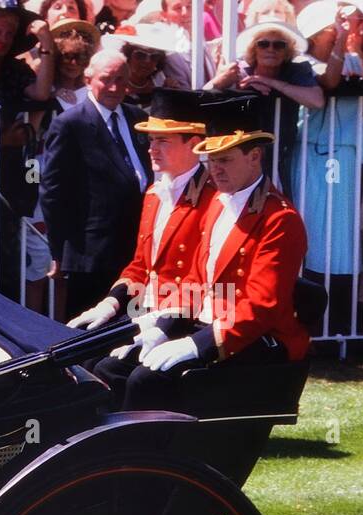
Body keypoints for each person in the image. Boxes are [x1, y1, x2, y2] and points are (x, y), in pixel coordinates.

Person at [93, 93, 309, 412]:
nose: (216, 171)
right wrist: (160, 329)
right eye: (211, 161)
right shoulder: (218, 206)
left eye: (225, 160)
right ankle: (115, 458)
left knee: (146, 381)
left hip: (255, 338)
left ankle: (153, 459)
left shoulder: (279, 219)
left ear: (255, 157)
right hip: (204, 323)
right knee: (110, 370)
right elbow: (194, 282)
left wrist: (199, 344)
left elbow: (262, 305)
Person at [69, 89, 213, 332]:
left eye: (163, 141)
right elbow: (140, 264)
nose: (152, 149)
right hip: (141, 307)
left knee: (106, 367)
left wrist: (159, 323)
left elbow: (201, 278)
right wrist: (112, 301)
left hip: (181, 316)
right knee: (76, 345)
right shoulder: (154, 194)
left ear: (194, 144)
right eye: (152, 140)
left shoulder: (213, 199)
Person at [39, 48, 150, 318]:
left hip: (136, 248)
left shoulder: (139, 118)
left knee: (130, 327)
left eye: (122, 80)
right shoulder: (70, 124)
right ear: (89, 79)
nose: (115, 87)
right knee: (89, 331)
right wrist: (58, 250)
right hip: (91, 253)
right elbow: (53, 191)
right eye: (106, 79)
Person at [292, 0, 363, 330]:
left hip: (343, 156)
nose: (340, 34)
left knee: (342, 239)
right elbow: (327, 82)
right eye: (333, 29)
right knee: (311, 231)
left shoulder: (353, 59)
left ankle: (339, 324)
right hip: (310, 156)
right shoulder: (301, 63)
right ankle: (311, 322)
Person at [205, 17, 321, 185]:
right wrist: (219, 81)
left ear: (287, 51)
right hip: (240, 156)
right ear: (254, 48)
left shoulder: (296, 70)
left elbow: (317, 101)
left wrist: (271, 83)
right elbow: (199, 103)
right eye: (263, 44)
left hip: (279, 156)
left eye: (279, 45)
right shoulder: (238, 70)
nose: (271, 49)